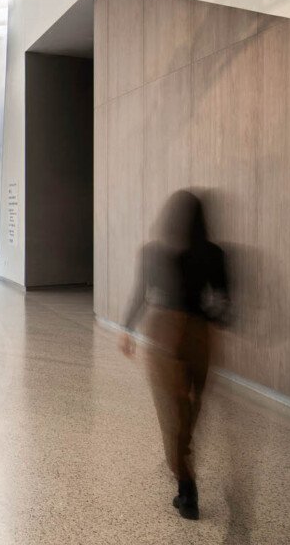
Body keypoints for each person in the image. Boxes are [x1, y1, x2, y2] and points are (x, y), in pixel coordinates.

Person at [120, 190, 231, 521]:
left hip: (164, 333)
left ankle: (187, 486)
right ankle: (184, 462)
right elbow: (225, 304)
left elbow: (142, 292)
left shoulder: (155, 251)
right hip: (201, 336)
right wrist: (205, 321)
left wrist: (127, 329)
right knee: (192, 406)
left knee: (172, 410)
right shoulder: (215, 253)